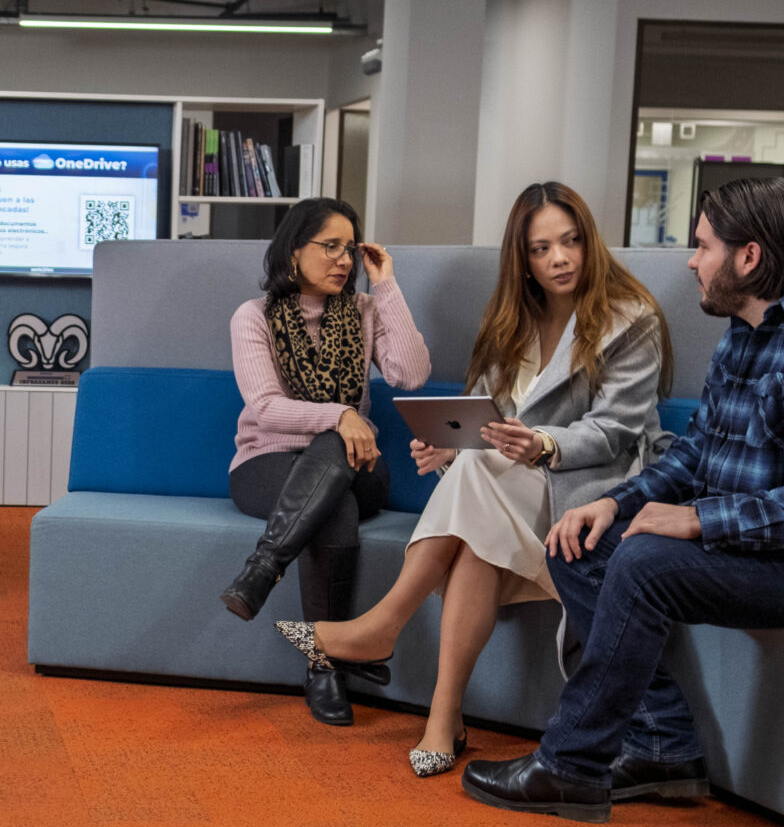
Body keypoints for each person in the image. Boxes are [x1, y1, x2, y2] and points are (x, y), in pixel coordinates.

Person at [461, 176, 784, 823]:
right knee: (578, 544)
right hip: (763, 544)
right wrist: (615, 504)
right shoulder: (745, 334)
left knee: (644, 563)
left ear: (749, 257)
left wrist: (699, 519)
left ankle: (571, 766)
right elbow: (698, 451)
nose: (691, 261)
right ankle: (663, 748)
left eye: (703, 246)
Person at [278, 182, 671, 777]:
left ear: (590, 242)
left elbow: (615, 430)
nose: (560, 259)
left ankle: (382, 626)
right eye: (541, 249)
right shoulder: (512, 320)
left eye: (570, 242)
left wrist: (540, 444)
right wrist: (451, 444)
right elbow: (485, 419)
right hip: (507, 490)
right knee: (474, 538)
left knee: (481, 476)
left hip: (590, 490)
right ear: (523, 259)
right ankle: (444, 715)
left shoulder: (631, 318)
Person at [220, 197, 430, 726]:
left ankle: (264, 569)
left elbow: (410, 375)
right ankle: (325, 666)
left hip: (360, 467)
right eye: (329, 246)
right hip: (267, 463)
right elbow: (265, 409)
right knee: (332, 502)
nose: (343, 260)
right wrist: (340, 414)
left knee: (335, 452)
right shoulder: (254, 316)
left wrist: (386, 285)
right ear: (294, 250)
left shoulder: (363, 311)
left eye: (349, 249)